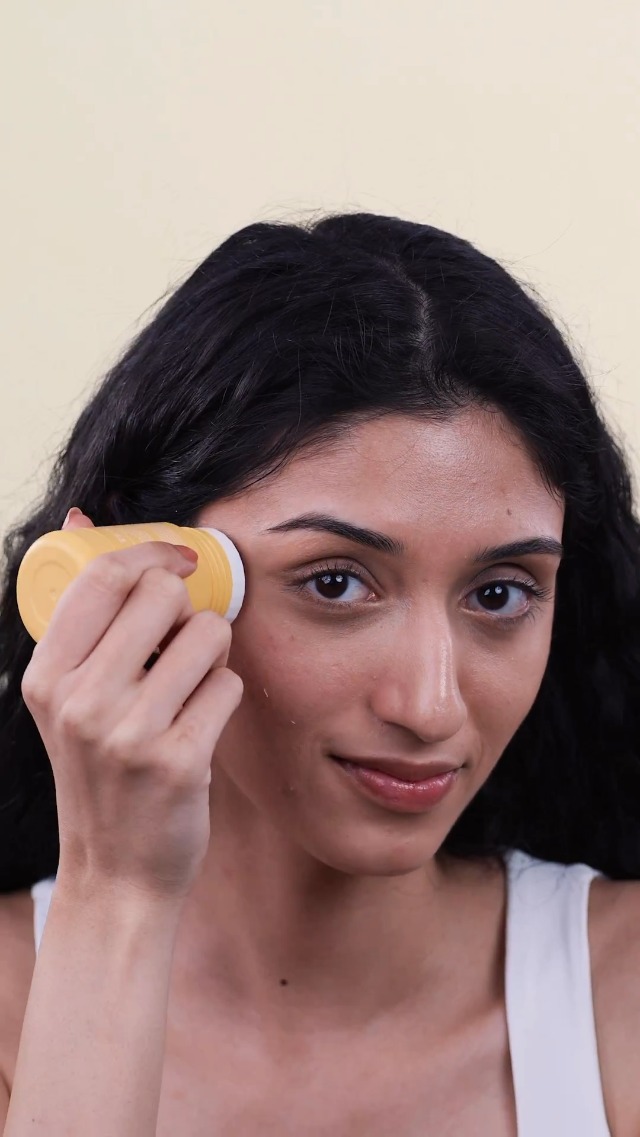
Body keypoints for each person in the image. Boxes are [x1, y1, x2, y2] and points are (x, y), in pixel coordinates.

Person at [0, 212, 639, 1136]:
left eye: (500, 594)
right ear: (138, 573)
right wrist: (115, 894)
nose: (430, 705)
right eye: (336, 582)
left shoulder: (619, 991)